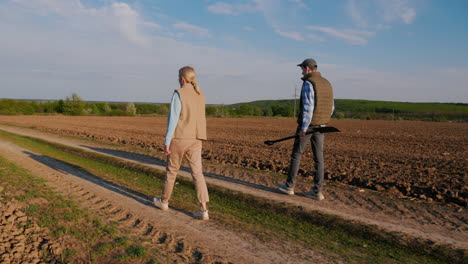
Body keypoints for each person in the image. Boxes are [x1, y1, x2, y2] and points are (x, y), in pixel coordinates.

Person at [153, 66, 210, 220]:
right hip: (197, 138)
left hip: (180, 138)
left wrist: (167, 140)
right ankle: (204, 209)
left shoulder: (179, 93)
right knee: (198, 173)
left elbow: (173, 118)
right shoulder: (200, 94)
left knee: (171, 172)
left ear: (182, 78)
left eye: (179, 77)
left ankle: (164, 201)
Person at [277, 58, 334, 200]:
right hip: (322, 126)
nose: (302, 71)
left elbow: (308, 107)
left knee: (297, 153)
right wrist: (323, 121)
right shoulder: (327, 83)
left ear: (307, 68)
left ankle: (289, 186)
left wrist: (304, 127)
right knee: (318, 158)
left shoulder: (309, 83)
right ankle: (317, 191)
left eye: (302, 69)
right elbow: (331, 107)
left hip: (309, 126)